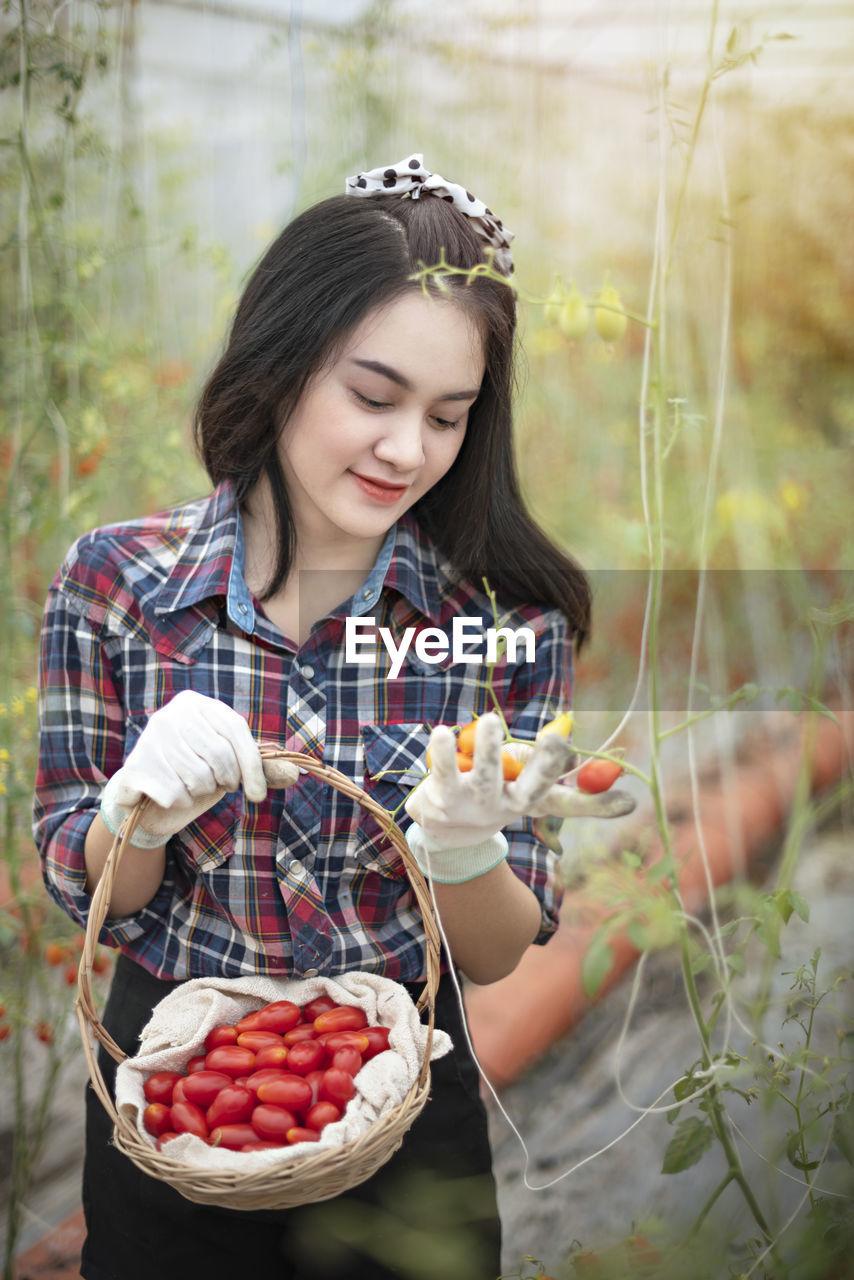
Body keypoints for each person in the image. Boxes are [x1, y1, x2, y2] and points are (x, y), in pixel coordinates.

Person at [33, 154, 627, 1280]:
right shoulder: (116, 583)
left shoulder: (498, 618)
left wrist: (458, 844)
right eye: (373, 395)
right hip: (178, 1083)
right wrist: (139, 814)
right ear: (282, 359)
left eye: (447, 415)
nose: (408, 449)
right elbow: (86, 884)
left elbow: (497, 950)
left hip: (401, 1097)